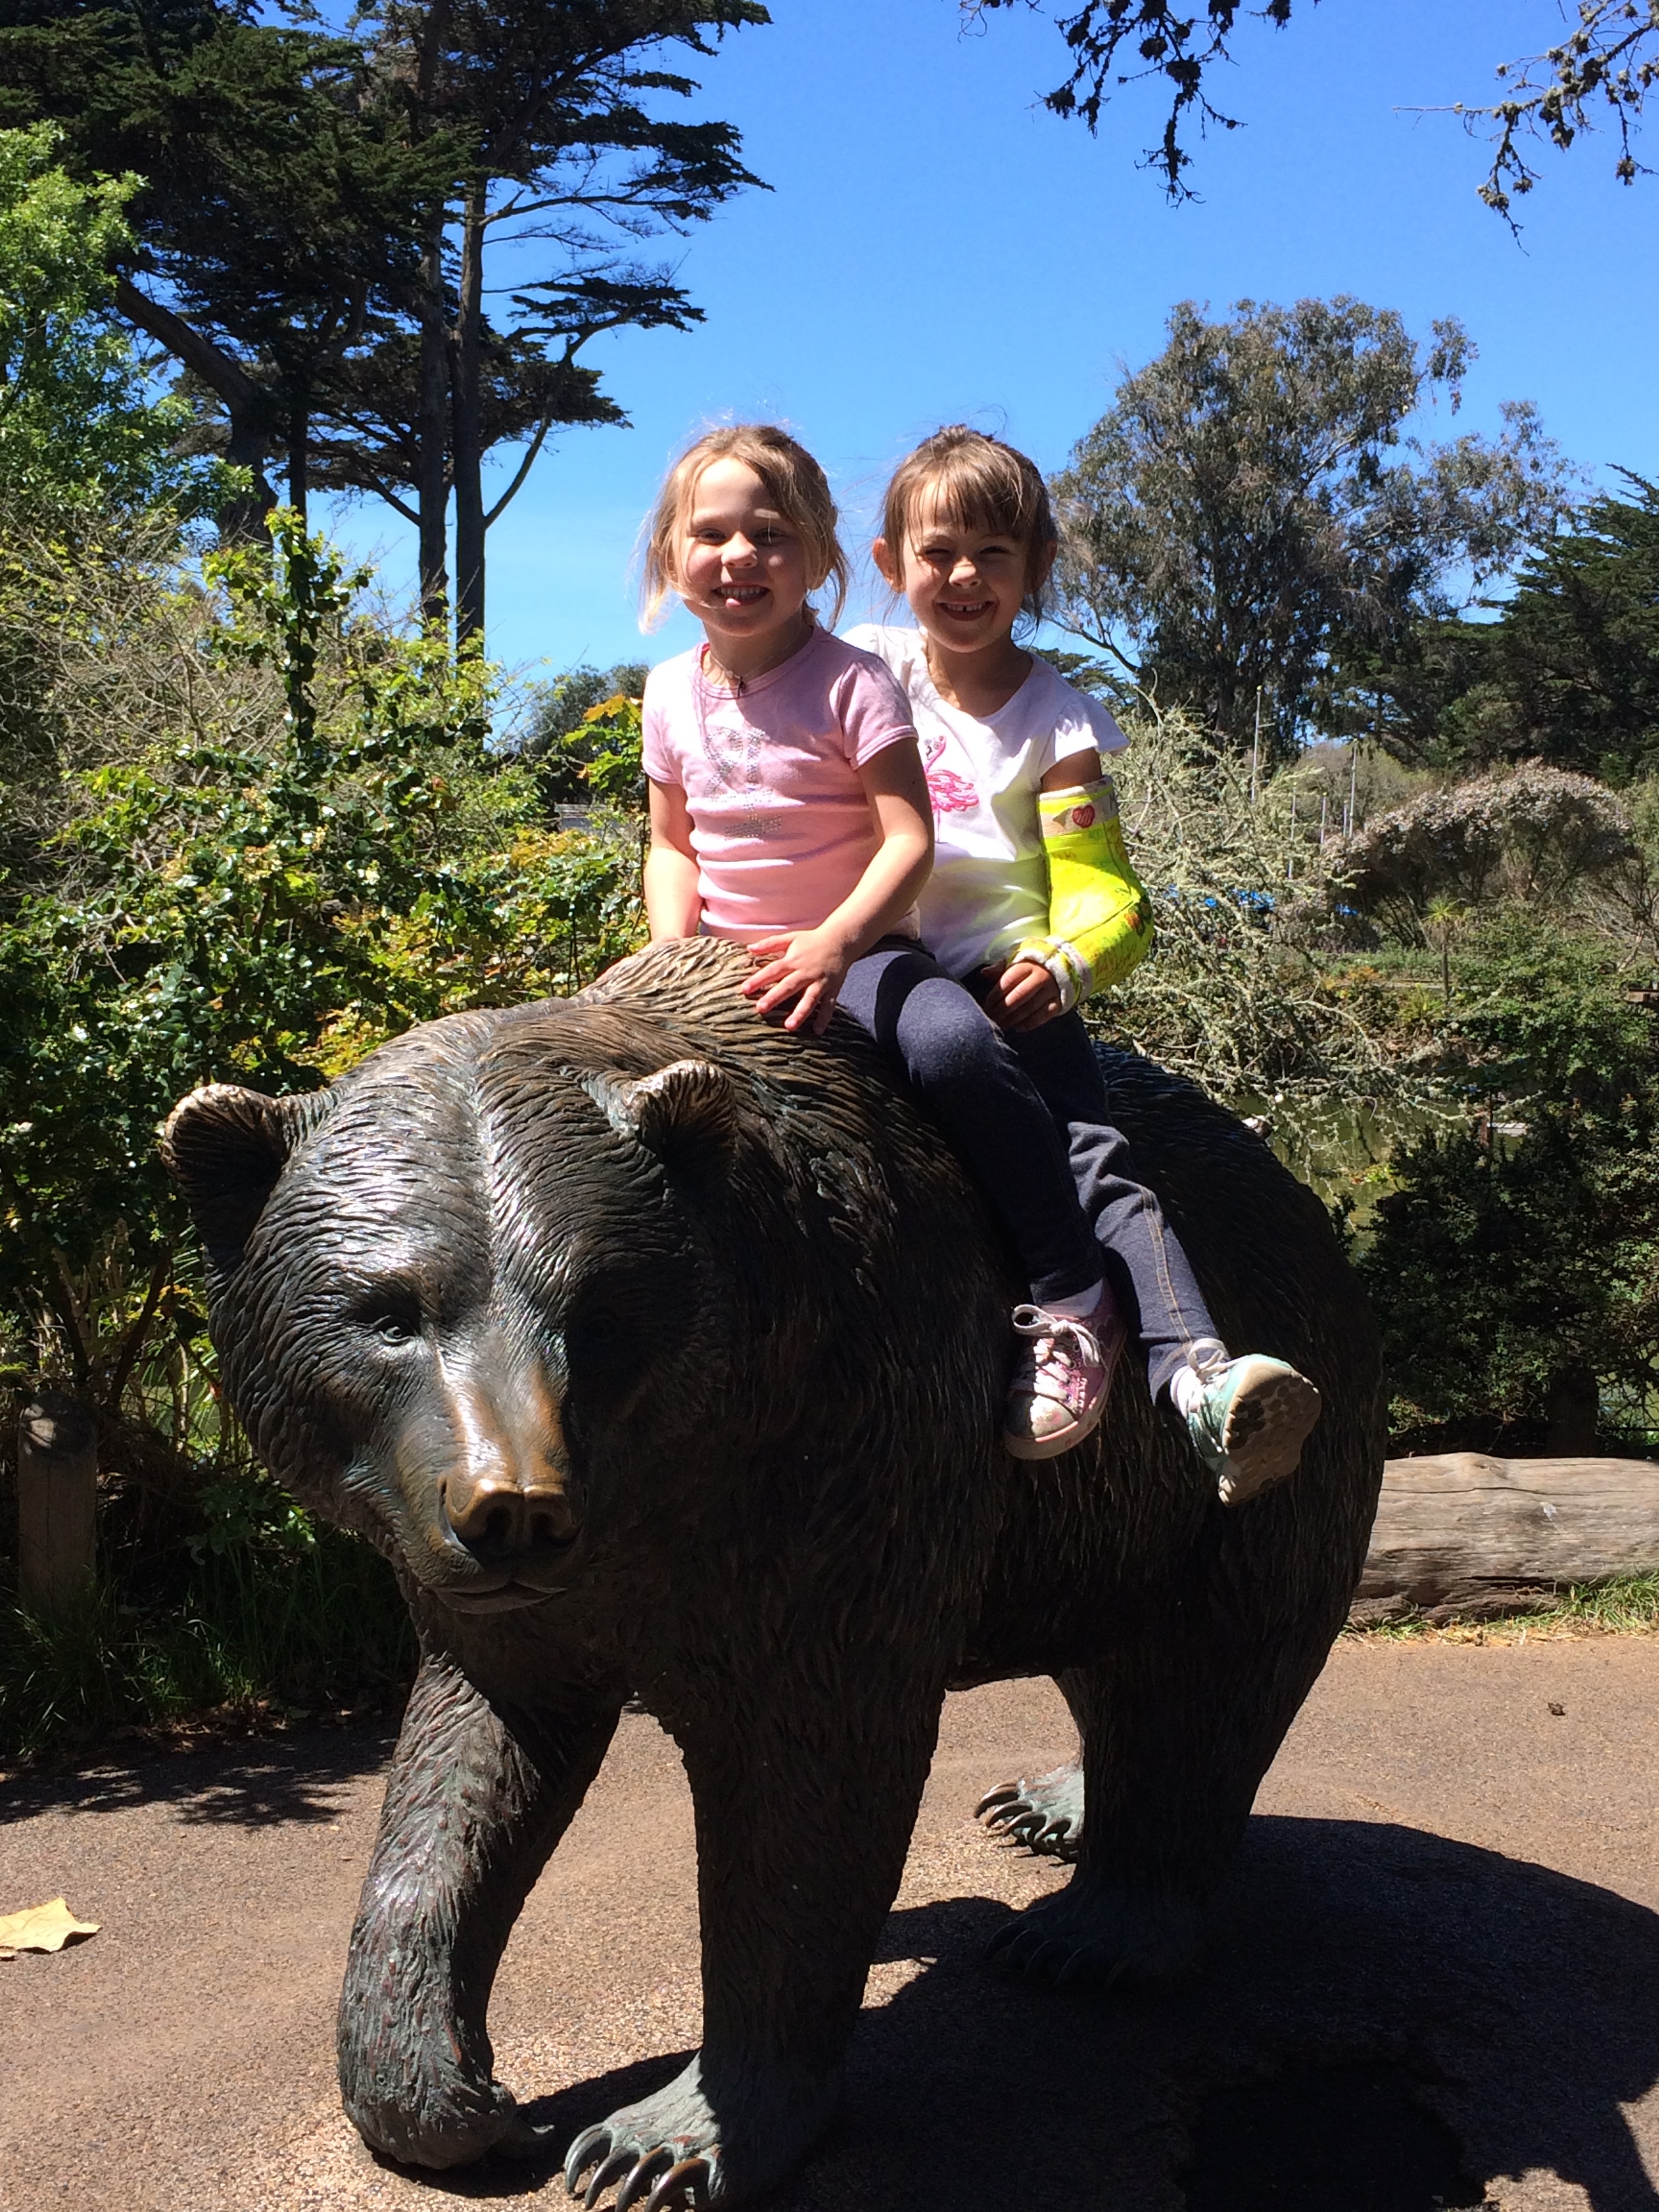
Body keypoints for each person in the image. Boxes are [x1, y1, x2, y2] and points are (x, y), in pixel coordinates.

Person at [847, 424, 1321, 1504]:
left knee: (1092, 1159)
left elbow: (1112, 896)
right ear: (889, 563)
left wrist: (1062, 963)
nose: (964, 577)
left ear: (1037, 568)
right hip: (879, 966)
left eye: (994, 554)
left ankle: (1198, 1379)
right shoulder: (867, 671)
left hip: (1008, 988)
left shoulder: (1055, 721)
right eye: (938, 552)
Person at [638, 422, 1126, 1458]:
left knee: (954, 1049)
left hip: (860, 952)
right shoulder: (668, 689)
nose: (738, 555)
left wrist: (836, 941)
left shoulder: (856, 682)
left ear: (820, 557)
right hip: (716, 961)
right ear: (671, 555)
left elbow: (911, 841)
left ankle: (1070, 1288)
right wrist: (667, 955)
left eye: (769, 534)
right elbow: (671, 845)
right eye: (711, 534)